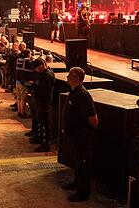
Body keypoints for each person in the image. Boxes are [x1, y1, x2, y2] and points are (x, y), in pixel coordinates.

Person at [61, 67, 98, 202]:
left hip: (82, 137)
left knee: (83, 164)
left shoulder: (83, 95)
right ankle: (77, 183)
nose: (67, 78)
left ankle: (83, 193)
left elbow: (94, 120)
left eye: (69, 76)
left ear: (77, 78)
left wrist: (83, 132)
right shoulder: (74, 92)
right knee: (77, 161)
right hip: (74, 136)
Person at [27, 57, 54, 152]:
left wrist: (34, 87)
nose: (36, 70)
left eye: (37, 68)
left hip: (44, 102)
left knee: (44, 123)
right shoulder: (42, 74)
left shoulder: (47, 75)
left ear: (42, 66)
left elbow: (44, 90)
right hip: (39, 101)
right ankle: (39, 138)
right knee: (40, 121)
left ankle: (45, 143)